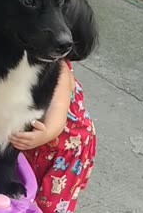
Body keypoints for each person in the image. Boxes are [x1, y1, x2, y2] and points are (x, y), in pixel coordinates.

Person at [10, 59, 96, 213]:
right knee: (23, 186)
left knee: (48, 204)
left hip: (62, 148)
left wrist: (44, 135)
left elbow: (57, 111)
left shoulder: (58, 70)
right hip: (40, 142)